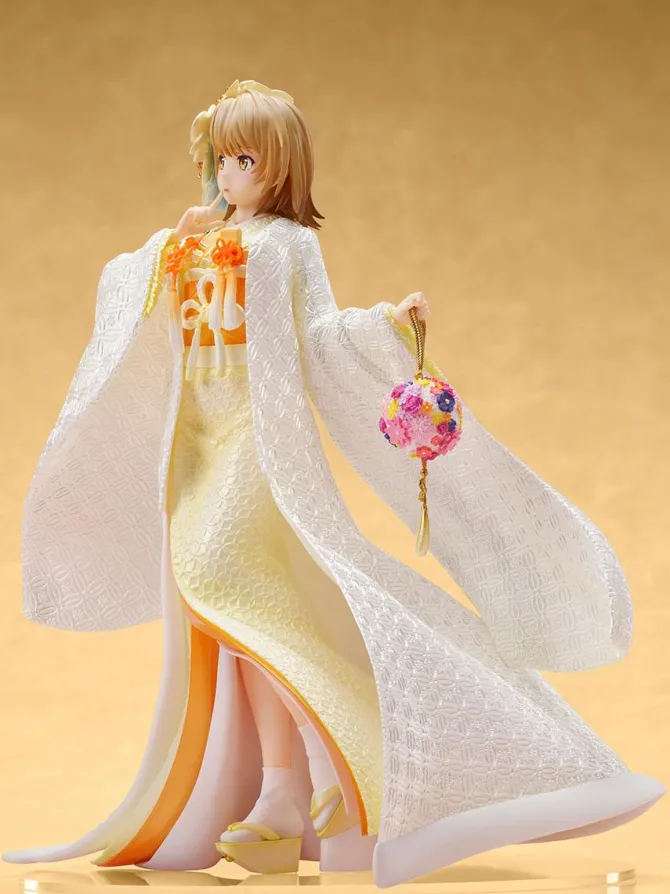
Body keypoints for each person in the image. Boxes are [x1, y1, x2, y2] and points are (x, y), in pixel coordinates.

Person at [2, 79, 664, 887]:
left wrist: (384, 325)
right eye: (222, 159)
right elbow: (140, 313)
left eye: (246, 160)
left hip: (258, 448)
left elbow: (319, 334)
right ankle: (287, 797)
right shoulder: (196, 241)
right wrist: (170, 246)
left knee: (224, 582)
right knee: (241, 623)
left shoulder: (287, 246)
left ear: (280, 167)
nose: (230, 174)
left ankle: (326, 772)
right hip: (196, 448)